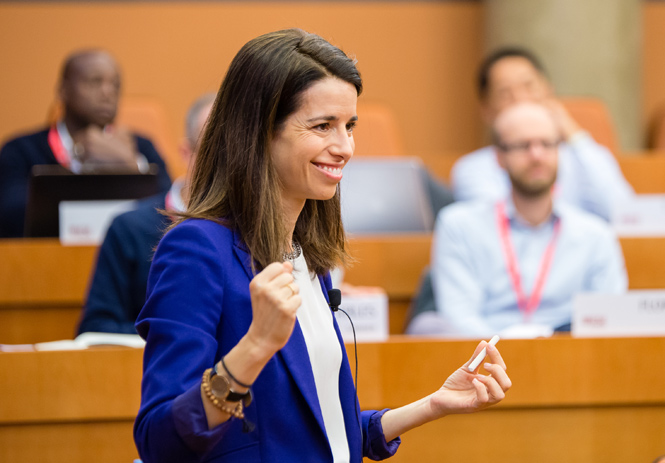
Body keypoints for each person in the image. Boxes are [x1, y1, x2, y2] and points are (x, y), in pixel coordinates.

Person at [134, 29, 511, 463]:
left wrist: (434, 403)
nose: (345, 147)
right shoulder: (197, 250)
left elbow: (326, 430)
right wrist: (255, 346)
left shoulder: (307, 255)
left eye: (349, 126)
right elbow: (160, 440)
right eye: (322, 126)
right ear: (259, 132)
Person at [413, 102, 627, 338]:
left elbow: (609, 324)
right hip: (487, 363)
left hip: (573, 359)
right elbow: (460, 318)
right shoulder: (459, 226)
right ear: (499, 157)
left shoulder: (596, 235)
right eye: (523, 146)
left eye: (547, 144)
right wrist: (510, 350)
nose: (536, 155)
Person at [77, 93, 215, 335]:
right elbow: (97, 327)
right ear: (186, 152)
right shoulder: (128, 229)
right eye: (212, 150)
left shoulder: (249, 228)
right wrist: (174, 337)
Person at [0, 49, 171, 238]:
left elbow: (171, 209)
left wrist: (131, 166)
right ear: (63, 90)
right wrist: (77, 167)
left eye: (116, 85)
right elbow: (10, 216)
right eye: (94, 82)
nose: (108, 93)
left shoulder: (142, 148)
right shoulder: (20, 150)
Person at [451, 47, 633, 222]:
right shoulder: (473, 169)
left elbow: (626, 215)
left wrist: (574, 135)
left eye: (529, 86)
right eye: (505, 92)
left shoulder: (579, 156)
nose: (521, 99)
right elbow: (499, 227)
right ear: (486, 110)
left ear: (548, 90)